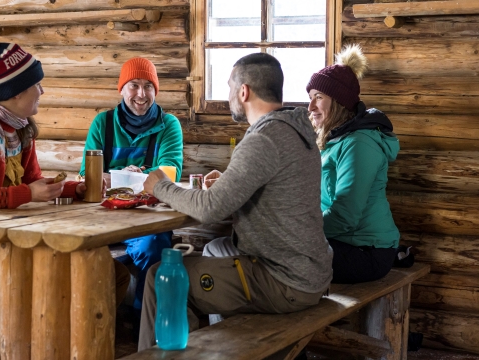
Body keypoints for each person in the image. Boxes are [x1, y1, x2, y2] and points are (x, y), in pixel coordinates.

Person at [138, 53, 333, 351]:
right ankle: (218, 348)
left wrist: (160, 186)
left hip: (284, 281)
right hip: (311, 271)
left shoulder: (263, 139)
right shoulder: (295, 131)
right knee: (215, 251)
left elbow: (209, 208)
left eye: (230, 86)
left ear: (244, 91)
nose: (229, 94)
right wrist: (230, 181)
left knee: (160, 277)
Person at [0, 32, 129, 305]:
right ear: (15, 92)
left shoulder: (20, 128)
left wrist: (74, 189)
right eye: (36, 85)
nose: (42, 91)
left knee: (113, 272)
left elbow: (32, 183)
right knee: (100, 275)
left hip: (17, 238)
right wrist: (26, 194)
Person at [78, 57, 184, 312]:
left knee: (154, 248)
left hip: (148, 219)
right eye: (134, 85)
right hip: (103, 218)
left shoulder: (168, 125)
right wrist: (129, 175)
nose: (141, 94)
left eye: (148, 86)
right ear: (122, 89)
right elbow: (87, 175)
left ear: (155, 91)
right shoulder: (102, 124)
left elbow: (171, 172)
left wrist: (118, 176)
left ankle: (143, 329)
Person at [306, 44, 400, 284]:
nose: (310, 107)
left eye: (319, 97)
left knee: (280, 258)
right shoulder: (334, 139)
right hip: (340, 241)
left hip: (367, 251)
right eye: (310, 98)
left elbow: (345, 215)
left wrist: (300, 231)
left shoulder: (359, 144)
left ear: (337, 102)